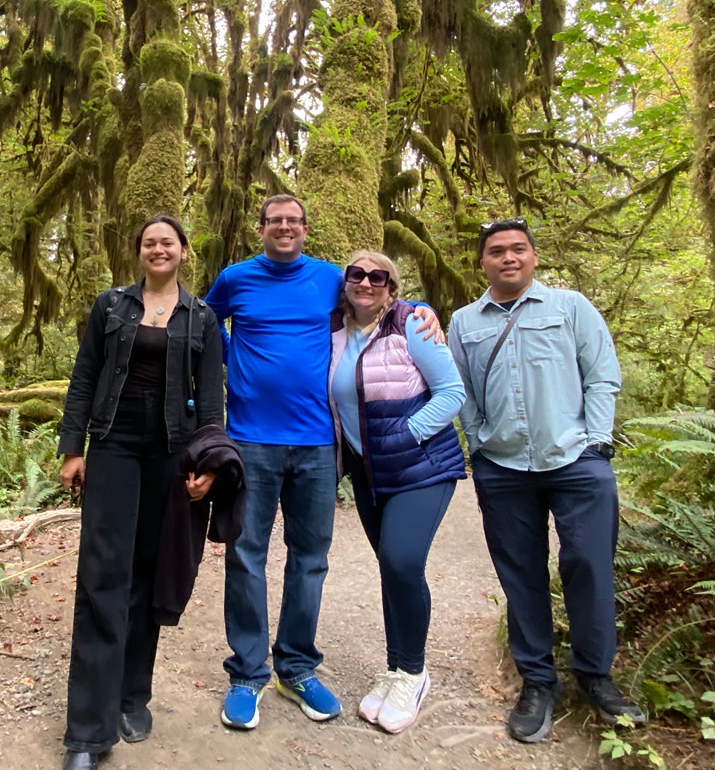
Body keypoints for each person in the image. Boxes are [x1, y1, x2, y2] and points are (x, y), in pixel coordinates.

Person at [204, 195, 440, 730]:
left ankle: (296, 666)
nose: (284, 228)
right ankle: (246, 673)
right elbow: (202, 323)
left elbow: (374, 299)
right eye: (274, 221)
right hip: (250, 441)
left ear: (306, 229)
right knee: (246, 556)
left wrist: (422, 311)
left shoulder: (331, 278)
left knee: (310, 557)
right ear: (260, 227)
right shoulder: (236, 278)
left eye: (293, 221)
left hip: (315, 443)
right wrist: (229, 359)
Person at [447, 218, 647, 744]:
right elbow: (460, 388)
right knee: (521, 574)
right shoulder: (465, 321)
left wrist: (597, 440)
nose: (508, 257)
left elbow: (602, 373)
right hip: (503, 465)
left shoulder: (570, 307)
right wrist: (479, 442)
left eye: (518, 249)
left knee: (588, 565)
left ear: (534, 257)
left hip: (576, 460)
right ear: (482, 262)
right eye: (496, 251)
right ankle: (537, 681)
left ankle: (596, 676)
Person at [56, 215, 224, 770]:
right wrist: (72, 447)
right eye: (149, 242)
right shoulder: (111, 307)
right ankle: (87, 730)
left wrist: (207, 462)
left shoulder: (201, 316)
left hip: (171, 451)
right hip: (114, 443)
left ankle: (133, 697)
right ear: (139, 252)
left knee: (149, 572)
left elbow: (212, 396)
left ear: (182, 252)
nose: (158, 249)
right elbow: (84, 376)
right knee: (103, 575)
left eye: (167, 242)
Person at [327, 250, 466, 734]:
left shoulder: (412, 325)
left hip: (421, 468)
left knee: (403, 561)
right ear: (345, 283)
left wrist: (408, 434)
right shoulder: (335, 333)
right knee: (390, 566)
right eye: (357, 275)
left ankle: (415, 673)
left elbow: (452, 391)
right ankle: (394, 668)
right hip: (369, 475)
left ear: (391, 285)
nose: (366, 282)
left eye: (377, 276)